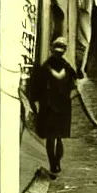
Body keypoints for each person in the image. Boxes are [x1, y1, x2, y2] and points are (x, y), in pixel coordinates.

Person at [30, 37, 79, 176]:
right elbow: (73, 86)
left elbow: (35, 90)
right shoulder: (68, 68)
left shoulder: (44, 67)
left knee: (51, 138)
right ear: (64, 51)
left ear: (52, 49)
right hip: (62, 107)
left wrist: (35, 104)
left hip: (48, 107)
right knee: (58, 137)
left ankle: (53, 164)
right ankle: (57, 162)